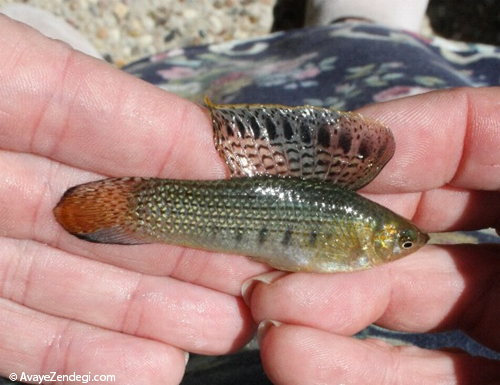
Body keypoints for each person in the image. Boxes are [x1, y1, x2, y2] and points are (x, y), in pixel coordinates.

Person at [0, 1, 500, 384]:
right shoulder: (362, 238)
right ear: (376, 238)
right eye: (402, 242)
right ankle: (363, 26)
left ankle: (357, 27)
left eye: (404, 242)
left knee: (371, 58)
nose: (407, 246)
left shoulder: (361, 235)